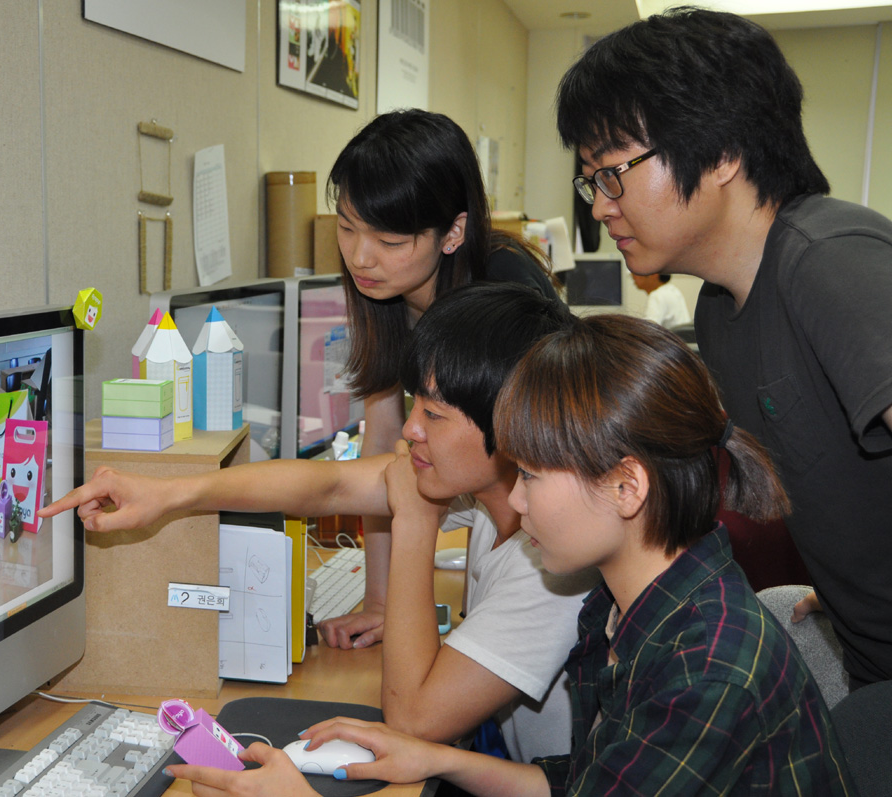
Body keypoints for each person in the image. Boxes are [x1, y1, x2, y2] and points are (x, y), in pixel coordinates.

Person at [170, 315, 855, 796]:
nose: (516, 502)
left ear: (626, 486)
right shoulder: (630, 605)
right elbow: (582, 780)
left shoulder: (705, 669)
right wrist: (436, 759)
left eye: (530, 475)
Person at [43, 284, 593, 762]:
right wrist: (167, 494)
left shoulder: (552, 569)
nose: (410, 431)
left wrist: (416, 521)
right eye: (414, 406)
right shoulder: (492, 491)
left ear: (510, 424)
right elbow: (327, 485)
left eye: (434, 415)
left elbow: (413, 720)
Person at [555, 7, 892, 688]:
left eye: (613, 172)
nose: (599, 205)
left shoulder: (830, 261)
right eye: (591, 181)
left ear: (722, 154)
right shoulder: (719, 307)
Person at [323, 108, 557, 651]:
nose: (360, 257)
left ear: (453, 232)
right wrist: (380, 601)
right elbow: (383, 441)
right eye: (347, 226)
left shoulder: (503, 294)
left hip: (542, 539)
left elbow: (524, 456)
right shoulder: (383, 289)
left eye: (389, 240)